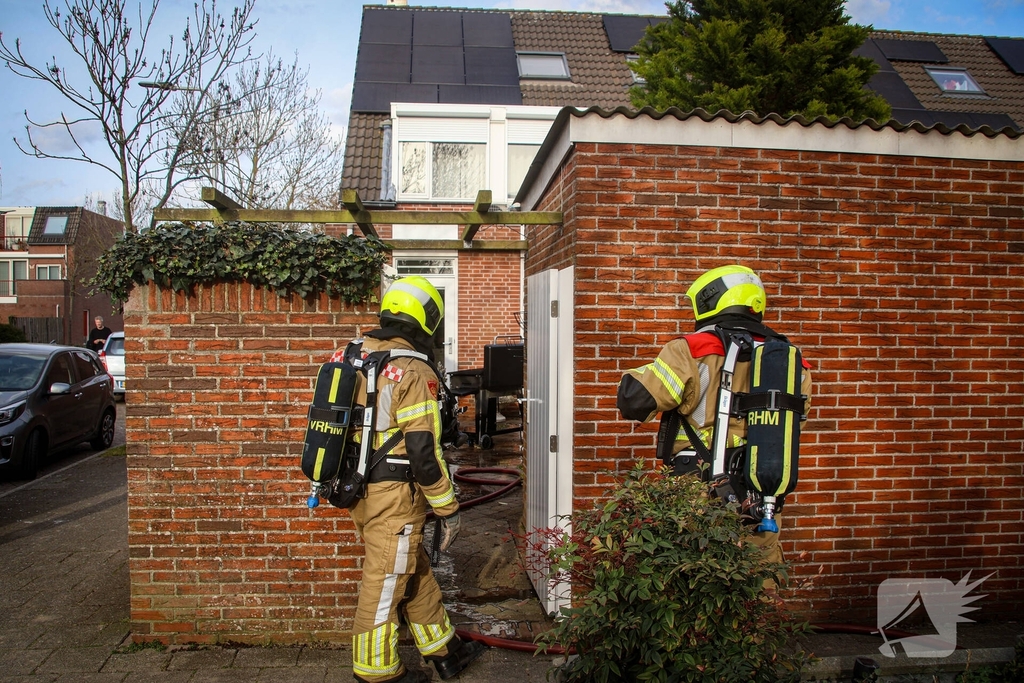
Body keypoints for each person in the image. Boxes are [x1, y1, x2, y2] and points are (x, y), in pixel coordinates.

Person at [329, 276, 485, 683]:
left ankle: (444, 649)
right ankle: (376, 673)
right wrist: (447, 508)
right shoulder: (412, 370)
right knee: (384, 583)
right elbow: (423, 452)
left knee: (410, 567)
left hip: (355, 487)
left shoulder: (349, 355)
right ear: (426, 319)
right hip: (395, 496)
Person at [616, 264, 812, 567]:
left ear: (710, 300)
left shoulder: (691, 349)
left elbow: (634, 401)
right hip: (762, 497)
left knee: (692, 575)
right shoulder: (792, 363)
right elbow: (796, 421)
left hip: (697, 493)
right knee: (756, 576)